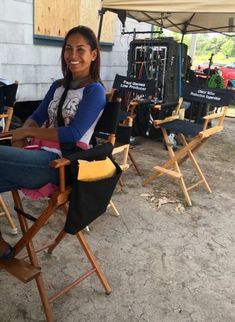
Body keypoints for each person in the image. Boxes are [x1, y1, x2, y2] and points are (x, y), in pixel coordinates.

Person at [0, 25, 106, 259]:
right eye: (69, 49)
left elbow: (74, 134)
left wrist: (24, 133)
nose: (73, 55)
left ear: (93, 54)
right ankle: (2, 248)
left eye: (80, 49)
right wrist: (24, 136)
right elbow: (37, 117)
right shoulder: (57, 86)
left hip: (61, 163)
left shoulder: (94, 91)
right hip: (37, 153)